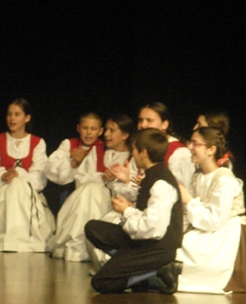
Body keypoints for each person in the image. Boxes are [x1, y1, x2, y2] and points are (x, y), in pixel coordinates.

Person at [84, 128, 184, 294]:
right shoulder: (150, 175)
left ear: (143, 153)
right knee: (94, 228)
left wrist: (127, 212)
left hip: (157, 249)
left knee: (101, 282)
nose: (132, 155)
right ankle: (132, 266)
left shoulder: (161, 183)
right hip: (144, 241)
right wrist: (129, 209)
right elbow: (146, 217)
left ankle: (155, 272)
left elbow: (153, 230)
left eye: (134, 151)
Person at [48, 114, 134, 261]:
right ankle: (75, 243)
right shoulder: (97, 150)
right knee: (89, 191)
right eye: (106, 130)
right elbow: (81, 178)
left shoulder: (131, 157)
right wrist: (103, 177)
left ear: (125, 135)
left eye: (112, 131)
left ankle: (85, 245)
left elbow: (132, 187)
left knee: (92, 192)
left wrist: (114, 181)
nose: (106, 134)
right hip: (88, 196)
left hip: (114, 203)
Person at [176, 127, 246, 293]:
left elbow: (215, 220)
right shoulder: (199, 175)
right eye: (190, 142)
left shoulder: (224, 180)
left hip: (226, 232)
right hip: (205, 225)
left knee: (187, 250)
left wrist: (189, 200)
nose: (190, 147)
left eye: (195, 143)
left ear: (211, 150)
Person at [0, 99, 54, 252]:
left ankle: (19, 238)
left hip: (28, 196)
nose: (12, 118)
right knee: (14, 186)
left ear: (27, 118)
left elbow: (39, 179)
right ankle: (11, 238)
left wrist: (19, 174)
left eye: (17, 114)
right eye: (9, 114)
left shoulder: (38, 143)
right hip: (2, 192)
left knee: (18, 184)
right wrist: (3, 175)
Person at [136, 102, 194, 194]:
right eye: (140, 120)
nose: (143, 125)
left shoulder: (180, 153)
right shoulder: (138, 148)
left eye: (149, 120)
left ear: (164, 124)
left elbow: (185, 191)